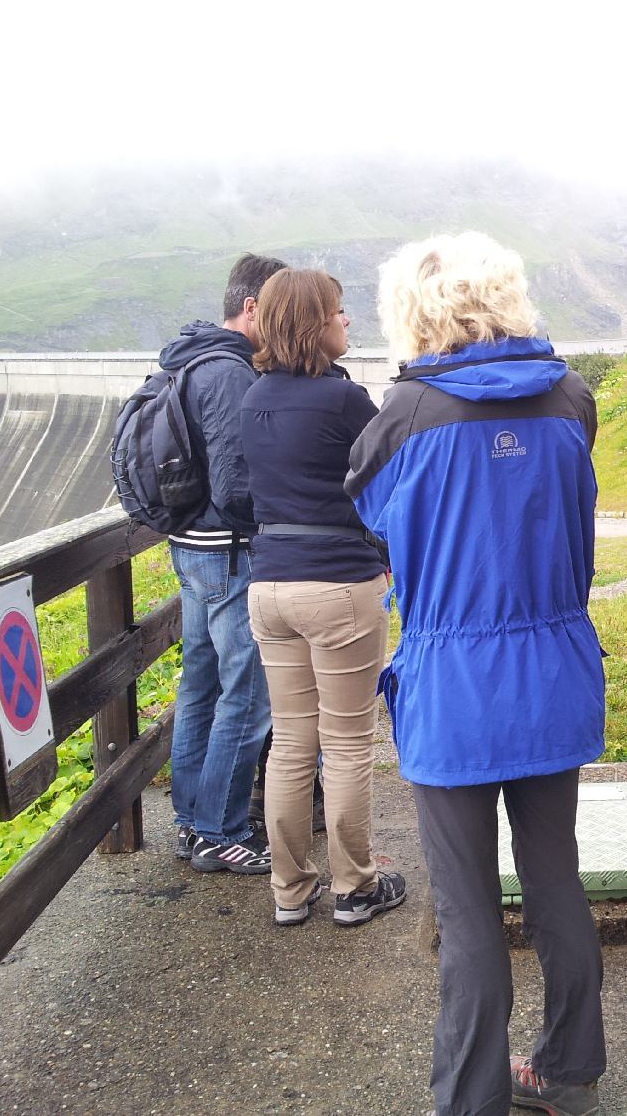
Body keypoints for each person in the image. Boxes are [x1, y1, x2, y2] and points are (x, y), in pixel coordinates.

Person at [347, 232, 606, 1116]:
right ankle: (570, 1069)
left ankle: (472, 1098)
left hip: (454, 689)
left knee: (467, 910)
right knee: (556, 879)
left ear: (414, 310)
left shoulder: (404, 416)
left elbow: (372, 516)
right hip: (554, 674)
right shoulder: (570, 398)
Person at [240, 269, 401, 928]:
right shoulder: (343, 401)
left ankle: (289, 890)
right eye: (337, 311)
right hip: (337, 583)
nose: (346, 320)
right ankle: (355, 887)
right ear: (314, 323)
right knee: (348, 739)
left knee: (291, 740)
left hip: (269, 585)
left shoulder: (253, 398)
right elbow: (391, 479)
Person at [164, 252, 285, 875]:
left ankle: (192, 820)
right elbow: (236, 486)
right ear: (253, 307)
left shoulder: (187, 360)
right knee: (248, 694)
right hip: (230, 554)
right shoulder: (232, 374)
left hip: (189, 548)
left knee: (200, 687)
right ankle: (221, 830)